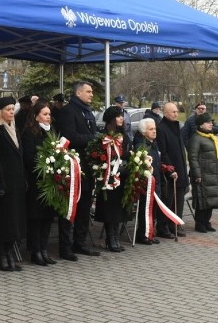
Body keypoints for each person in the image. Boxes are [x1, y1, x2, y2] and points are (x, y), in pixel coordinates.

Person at [56, 81, 100, 260]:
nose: (91, 95)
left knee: (84, 208)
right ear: (78, 93)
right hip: (73, 167)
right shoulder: (68, 112)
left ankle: (79, 242)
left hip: (88, 168)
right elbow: (70, 137)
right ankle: (65, 247)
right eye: (88, 92)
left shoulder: (87, 111)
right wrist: (94, 138)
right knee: (69, 209)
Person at [0, 96, 27, 271]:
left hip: (17, 183)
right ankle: (1, 255)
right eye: (8, 109)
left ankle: (10, 252)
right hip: (3, 184)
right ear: (0, 112)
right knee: (3, 221)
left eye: (13, 109)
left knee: (15, 220)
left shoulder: (15, 129)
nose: (12, 112)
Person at [21, 101, 58, 266]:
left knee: (47, 218)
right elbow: (28, 157)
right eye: (44, 114)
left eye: (49, 114)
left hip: (51, 181)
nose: (48, 117)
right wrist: (44, 164)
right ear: (36, 116)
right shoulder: (29, 133)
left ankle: (44, 249)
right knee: (36, 218)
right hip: (36, 182)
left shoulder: (51, 133)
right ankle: (35, 251)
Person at [94, 106, 129, 252]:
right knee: (110, 209)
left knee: (118, 209)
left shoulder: (123, 135)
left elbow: (125, 153)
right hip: (107, 178)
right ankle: (110, 239)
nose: (121, 118)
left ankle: (115, 237)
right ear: (111, 119)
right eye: (118, 116)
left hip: (121, 176)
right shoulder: (103, 137)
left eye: (122, 116)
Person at [188, 112, 218, 233]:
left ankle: (207, 222)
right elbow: (192, 158)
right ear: (200, 125)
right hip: (202, 175)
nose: (211, 124)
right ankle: (200, 224)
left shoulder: (211, 137)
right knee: (201, 200)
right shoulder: (196, 138)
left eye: (211, 122)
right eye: (208, 122)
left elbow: (217, 156)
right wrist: (197, 174)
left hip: (213, 173)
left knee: (211, 200)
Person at [157, 102, 188, 237]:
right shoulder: (161, 129)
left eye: (177, 112)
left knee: (179, 199)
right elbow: (163, 152)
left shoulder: (177, 127)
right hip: (169, 172)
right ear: (165, 113)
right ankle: (163, 227)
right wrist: (170, 169)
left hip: (180, 169)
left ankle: (175, 223)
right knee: (168, 200)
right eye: (173, 112)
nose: (176, 114)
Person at [132, 117, 164, 245]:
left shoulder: (153, 144)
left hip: (156, 182)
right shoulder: (141, 146)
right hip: (146, 184)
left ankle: (150, 233)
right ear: (144, 131)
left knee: (153, 210)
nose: (154, 131)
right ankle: (143, 234)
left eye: (155, 128)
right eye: (151, 129)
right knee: (146, 210)